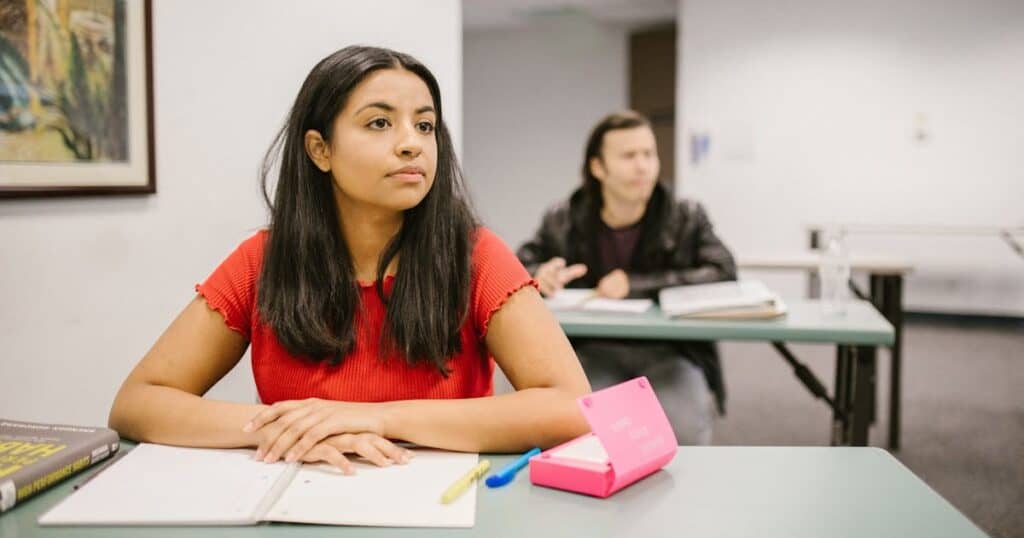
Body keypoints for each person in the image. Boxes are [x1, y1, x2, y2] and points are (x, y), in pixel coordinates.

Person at [108, 46, 590, 474]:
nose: (412, 143)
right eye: (380, 123)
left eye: (425, 125)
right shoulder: (262, 260)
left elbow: (572, 407)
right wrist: (292, 428)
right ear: (320, 150)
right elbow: (138, 402)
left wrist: (377, 418)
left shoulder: (477, 256)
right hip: (301, 499)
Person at [516, 111, 737, 445]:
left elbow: (723, 271)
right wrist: (539, 276)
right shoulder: (563, 218)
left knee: (685, 432)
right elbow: (520, 267)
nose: (643, 166)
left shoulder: (685, 215)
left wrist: (635, 286)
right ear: (598, 168)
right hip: (592, 349)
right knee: (578, 431)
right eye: (629, 156)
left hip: (673, 350)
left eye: (649, 154)